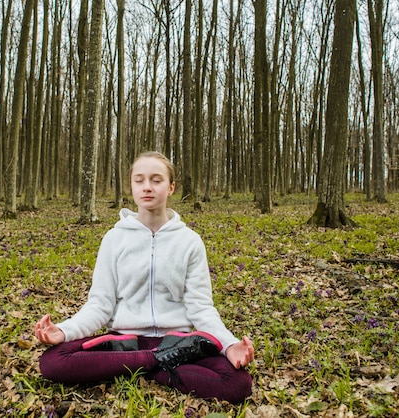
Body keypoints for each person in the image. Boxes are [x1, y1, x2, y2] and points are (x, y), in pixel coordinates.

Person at [35, 151, 254, 403]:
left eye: (156, 180)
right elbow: (99, 306)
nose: (147, 187)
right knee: (52, 362)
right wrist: (63, 330)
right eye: (139, 180)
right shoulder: (114, 239)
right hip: (124, 343)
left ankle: (132, 368)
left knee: (238, 383)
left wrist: (228, 345)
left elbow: (201, 308)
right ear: (131, 185)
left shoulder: (190, 242)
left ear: (171, 187)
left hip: (177, 341)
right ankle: (157, 363)